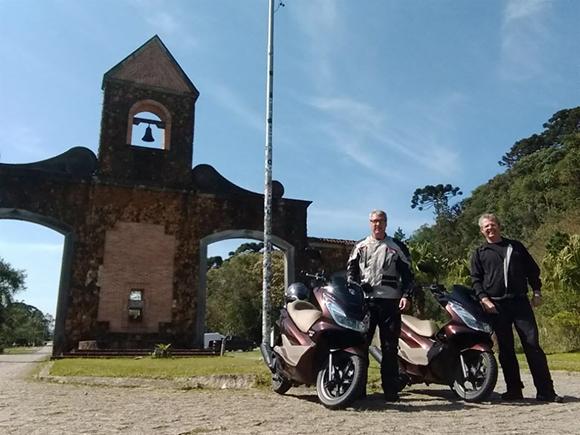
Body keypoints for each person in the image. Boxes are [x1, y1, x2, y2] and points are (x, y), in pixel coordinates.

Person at [470, 213, 562, 402]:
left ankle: (546, 391)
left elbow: (533, 271)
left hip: (520, 303)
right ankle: (514, 391)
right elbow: (476, 280)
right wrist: (484, 299)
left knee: (533, 345)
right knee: (506, 349)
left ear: (499, 226)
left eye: (493, 224)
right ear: (481, 231)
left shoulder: (515, 246)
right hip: (496, 306)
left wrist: (537, 292)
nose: (490, 228)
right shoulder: (479, 253)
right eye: (486, 226)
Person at [346, 209, 413, 402]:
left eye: (381, 221)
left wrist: (406, 296)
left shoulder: (396, 246)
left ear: (386, 223)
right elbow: (350, 274)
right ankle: (358, 389)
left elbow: (409, 276)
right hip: (365, 303)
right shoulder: (360, 246)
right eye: (374, 221)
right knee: (360, 344)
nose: (377, 224)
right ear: (369, 223)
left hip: (390, 302)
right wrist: (354, 291)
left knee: (390, 347)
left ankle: (391, 391)